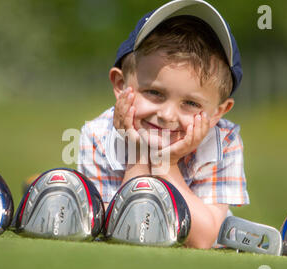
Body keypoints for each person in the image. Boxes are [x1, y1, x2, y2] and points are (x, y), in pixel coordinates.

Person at [77, 0, 249, 249]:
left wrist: (165, 165)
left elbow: (202, 239)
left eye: (190, 103)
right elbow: (122, 230)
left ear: (217, 113)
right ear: (120, 85)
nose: (167, 115)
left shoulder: (224, 141)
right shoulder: (97, 135)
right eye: (155, 93)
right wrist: (137, 156)